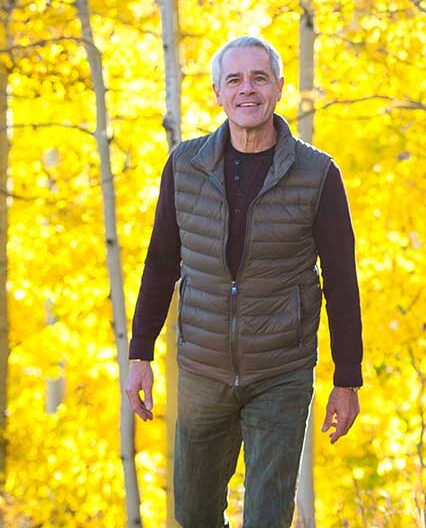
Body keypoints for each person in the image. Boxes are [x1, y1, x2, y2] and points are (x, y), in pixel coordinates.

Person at [125, 35, 363, 528]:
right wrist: (139, 354)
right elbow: (160, 263)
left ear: (278, 88)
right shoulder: (185, 166)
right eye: (234, 79)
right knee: (192, 514)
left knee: (266, 517)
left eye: (259, 78)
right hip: (202, 371)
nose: (246, 90)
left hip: (281, 371)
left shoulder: (316, 174)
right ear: (217, 91)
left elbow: (341, 281)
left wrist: (347, 379)